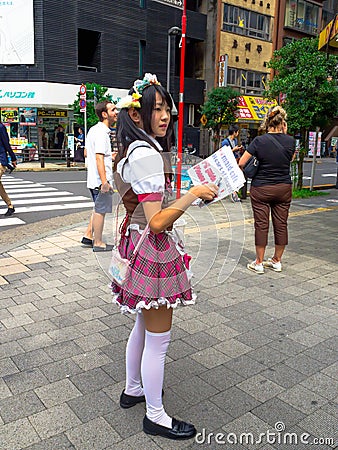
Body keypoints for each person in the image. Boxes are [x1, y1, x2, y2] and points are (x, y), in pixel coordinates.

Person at [112, 74, 218, 440]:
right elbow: (157, 222)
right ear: (136, 114)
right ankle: (155, 416)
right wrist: (192, 194)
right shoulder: (148, 155)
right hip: (152, 249)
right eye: (156, 108)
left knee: (142, 324)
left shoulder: (128, 150)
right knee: (159, 338)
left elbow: (146, 208)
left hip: (135, 242)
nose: (165, 115)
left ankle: (133, 389)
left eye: (167, 109)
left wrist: (186, 193)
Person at [239, 106, 295, 274]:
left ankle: (259, 262)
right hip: (284, 188)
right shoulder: (290, 141)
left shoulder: (259, 141)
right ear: (283, 123)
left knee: (262, 225)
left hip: (262, 188)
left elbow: (242, 163)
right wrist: (285, 133)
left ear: (267, 123)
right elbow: (289, 159)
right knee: (281, 224)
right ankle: (277, 261)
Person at [81, 100, 118, 250]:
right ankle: (98, 242)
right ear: (104, 114)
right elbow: (99, 157)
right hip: (100, 180)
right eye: (113, 110)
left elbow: (87, 153)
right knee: (101, 211)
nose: (116, 113)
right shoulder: (102, 133)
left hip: (93, 179)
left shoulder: (93, 130)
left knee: (98, 208)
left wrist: (110, 157)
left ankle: (89, 235)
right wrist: (104, 182)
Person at [221, 124, 243, 202]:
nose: (238, 134)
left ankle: (234, 194)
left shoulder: (235, 141)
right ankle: (233, 194)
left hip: (234, 161)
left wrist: (238, 149)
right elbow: (223, 153)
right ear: (234, 132)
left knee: (234, 178)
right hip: (228, 163)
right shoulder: (225, 142)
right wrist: (233, 150)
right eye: (237, 132)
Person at [0, 122, 17, 216]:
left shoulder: (1, 127)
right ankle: (10, 206)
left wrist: (13, 158)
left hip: (0, 159)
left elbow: (6, 143)